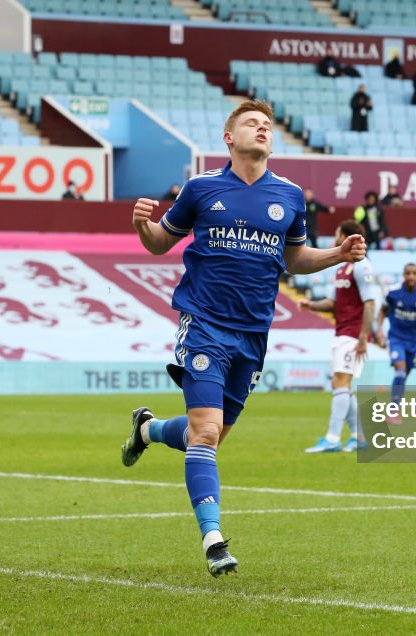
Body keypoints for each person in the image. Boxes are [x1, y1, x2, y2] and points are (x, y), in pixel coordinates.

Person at [119, 100, 367, 576]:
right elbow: (160, 241)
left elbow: (294, 260)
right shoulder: (201, 188)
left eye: (268, 125)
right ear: (229, 138)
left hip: (254, 334)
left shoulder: (290, 196)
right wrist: (141, 227)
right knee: (207, 432)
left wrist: (338, 252)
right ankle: (214, 541)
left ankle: (146, 429)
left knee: (206, 436)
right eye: (252, 123)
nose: (263, 128)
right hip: (205, 323)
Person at [299, 221, 375, 454]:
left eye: (336, 234)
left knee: (340, 383)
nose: (333, 238)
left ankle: (332, 438)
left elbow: (370, 303)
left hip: (352, 335)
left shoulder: (362, 266)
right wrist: (311, 304)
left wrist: (363, 338)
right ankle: (358, 437)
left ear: (345, 236)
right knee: (344, 385)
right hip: (342, 332)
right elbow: (332, 304)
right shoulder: (342, 268)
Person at [376, 263, 416, 418]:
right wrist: (378, 330)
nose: (411, 276)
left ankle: (395, 405)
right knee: (400, 370)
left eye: (414, 273)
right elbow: (382, 311)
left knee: (404, 375)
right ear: (403, 275)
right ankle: (393, 411)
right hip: (396, 338)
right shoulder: (393, 292)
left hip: (414, 341)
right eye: (408, 273)